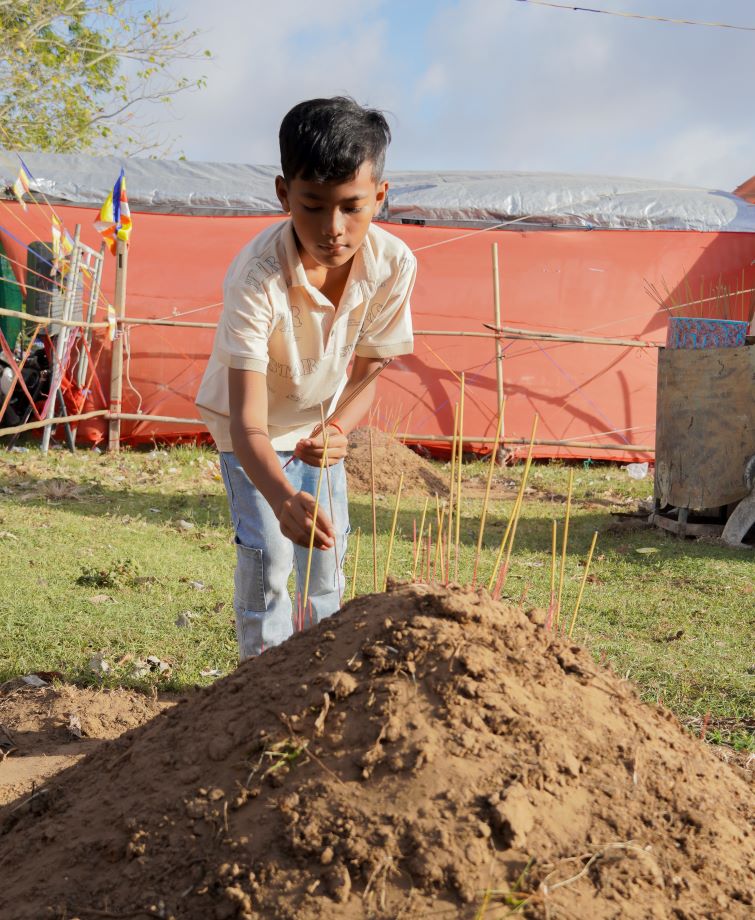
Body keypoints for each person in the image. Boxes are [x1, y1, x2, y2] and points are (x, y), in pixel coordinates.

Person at [196, 97, 417, 660]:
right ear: (282, 194)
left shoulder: (394, 265)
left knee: (326, 557)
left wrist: (340, 427)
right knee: (269, 553)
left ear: (381, 197)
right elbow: (248, 425)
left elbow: (370, 368)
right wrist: (281, 496)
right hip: (252, 432)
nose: (333, 229)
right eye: (313, 206)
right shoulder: (256, 278)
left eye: (352, 207)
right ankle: (258, 681)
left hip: (319, 424)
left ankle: (322, 672)